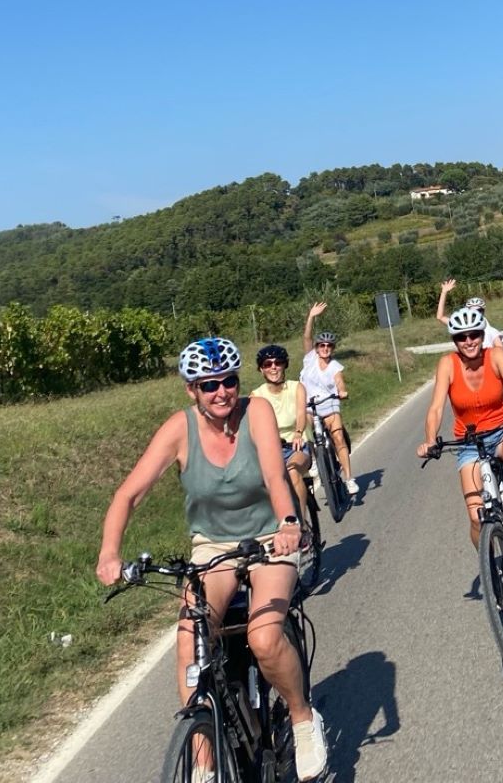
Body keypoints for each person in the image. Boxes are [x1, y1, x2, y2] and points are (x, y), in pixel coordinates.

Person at [96, 337, 328, 781]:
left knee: (263, 636)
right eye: (209, 386)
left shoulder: (254, 412)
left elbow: (274, 475)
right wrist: (110, 553)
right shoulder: (178, 430)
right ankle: (202, 761)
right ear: (191, 390)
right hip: (212, 547)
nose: (221, 392)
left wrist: (287, 522)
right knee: (191, 635)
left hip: (268, 537)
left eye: (228, 381)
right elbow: (128, 495)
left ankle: (301, 717)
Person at [416, 306, 503, 553]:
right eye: (461, 337)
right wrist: (429, 440)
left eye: (474, 335)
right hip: (469, 444)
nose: (468, 341)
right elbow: (436, 408)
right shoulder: (447, 364)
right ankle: (491, 564)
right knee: (477, 517)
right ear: (454, 340)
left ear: (481, 334)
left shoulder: (496, 356)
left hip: (502, 431)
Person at [301, 300, 359, 496]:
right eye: (322, 345)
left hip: (329, 403)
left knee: (338, 436)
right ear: (317, 347)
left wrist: (342, 391)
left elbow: (339, 381)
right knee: (304, 429)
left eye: (328, 346)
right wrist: (311, 316)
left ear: (332, 348)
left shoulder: (335, 366)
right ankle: (314, 463)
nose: (325, 348)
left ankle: (349, 478)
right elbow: (307, 336)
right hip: (309, 404)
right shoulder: (309, 359)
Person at [250, 343, 313, 520]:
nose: (273, 367)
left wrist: (298, 432)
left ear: (285, 364)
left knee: (292, 471)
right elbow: (252, 426)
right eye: (267, 364)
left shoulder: (296, 387)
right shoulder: (256, 396)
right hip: (272, 450)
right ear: (261, 369)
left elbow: (301, 414)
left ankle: (300, 524)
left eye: (277, 363)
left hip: (297, 447)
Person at [436, 277, 503, 349]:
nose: (475, 313)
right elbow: (440, 317)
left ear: (483, 311)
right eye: (472, 311)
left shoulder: (491, 331)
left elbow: (500, 350)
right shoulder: (461, 325)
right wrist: (444, 292)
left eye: (479, 311)